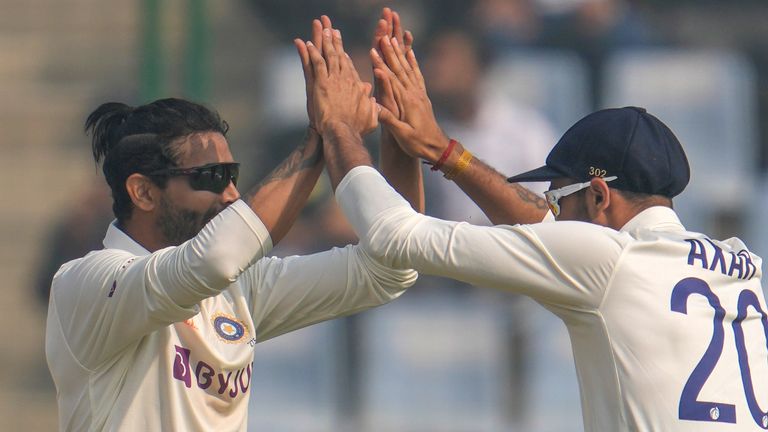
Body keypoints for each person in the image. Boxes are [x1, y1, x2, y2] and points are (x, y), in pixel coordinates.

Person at [299, 17, 768, 431]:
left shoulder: (609, 262)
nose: (551, 209)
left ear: (600, 194)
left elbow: (394, 235)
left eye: (559, 195)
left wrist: (339, 127)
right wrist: (441, 150)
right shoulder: (738, 259)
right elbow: (551, 226)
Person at [44, 13, 421, 431]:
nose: (231, 195)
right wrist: (325, 132)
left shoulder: (241, 287)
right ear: (144, 192)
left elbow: (392, 268)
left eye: (233, 176)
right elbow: (215, 261)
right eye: (212, 178)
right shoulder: (89, 283)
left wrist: (398, 134)